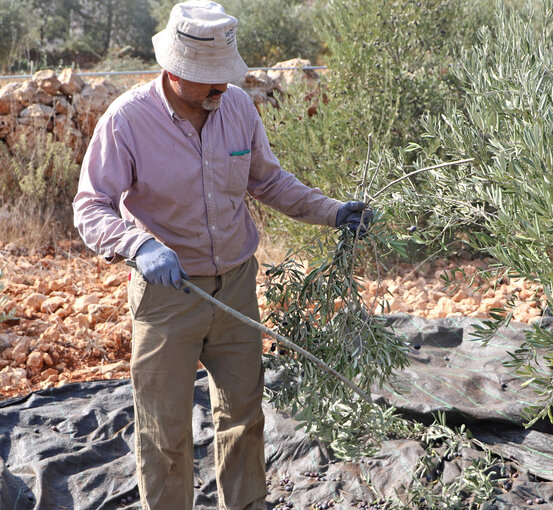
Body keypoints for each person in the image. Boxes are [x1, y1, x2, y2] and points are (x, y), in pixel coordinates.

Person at [72, 1, 370, 508]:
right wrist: (138, 244)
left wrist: (333, 211)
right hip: (168, 298)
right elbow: (90, 206)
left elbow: (269, 181)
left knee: (244, 418)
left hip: (235, 286)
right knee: (164, 432)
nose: (220, 87)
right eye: (209, 78)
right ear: (173, 71)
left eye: (224, 76)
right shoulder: (126, 121)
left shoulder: (237, 108)